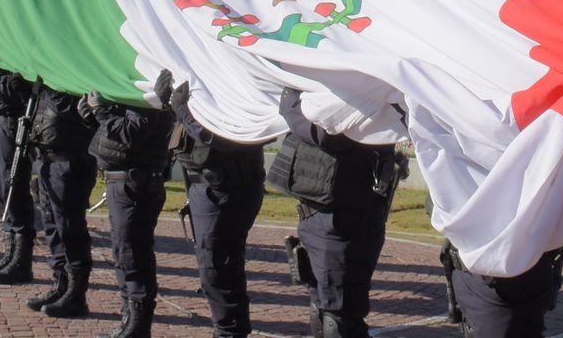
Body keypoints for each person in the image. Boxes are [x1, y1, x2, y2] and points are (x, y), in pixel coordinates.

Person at [275, 87, 408, 338]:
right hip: (321, 210)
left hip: (344, 216)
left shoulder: (362, 87)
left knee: (340, 316)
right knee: (324, 307)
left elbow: (326, 132)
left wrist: (290, 102)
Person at [166, 73, 268, 338]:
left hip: (228, 187)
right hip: (208, 186)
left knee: (218, 266)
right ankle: (226, 329)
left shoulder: (238, 83)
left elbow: (222, 137)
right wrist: (173, 106)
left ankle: (229, 332)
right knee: (213, 265)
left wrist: (183, 111)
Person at [88, 82, 176, 338]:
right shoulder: (134, 92)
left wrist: (101, 112)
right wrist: (93, 114)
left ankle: (138, 324)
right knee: (123, 252)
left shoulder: (146, 94)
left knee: (133, 254)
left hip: (135, 184)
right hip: (125, 182)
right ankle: (129, 319)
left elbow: (132, 134)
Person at [24, 80, 99, 316]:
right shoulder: (51, 81)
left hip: (70, 162)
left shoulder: (72, 77)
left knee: (69, 229)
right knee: (53, 228)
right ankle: (61, 285)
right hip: (48, 159)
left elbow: (72, 107)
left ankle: (76, 295)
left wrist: (48, 90)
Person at [0, 59, 38, 284]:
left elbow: (14, 89)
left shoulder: (16, 55)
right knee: (0, 191)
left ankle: (21, 261)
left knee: (13, 190)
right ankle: (10, 254)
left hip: (13, 123)